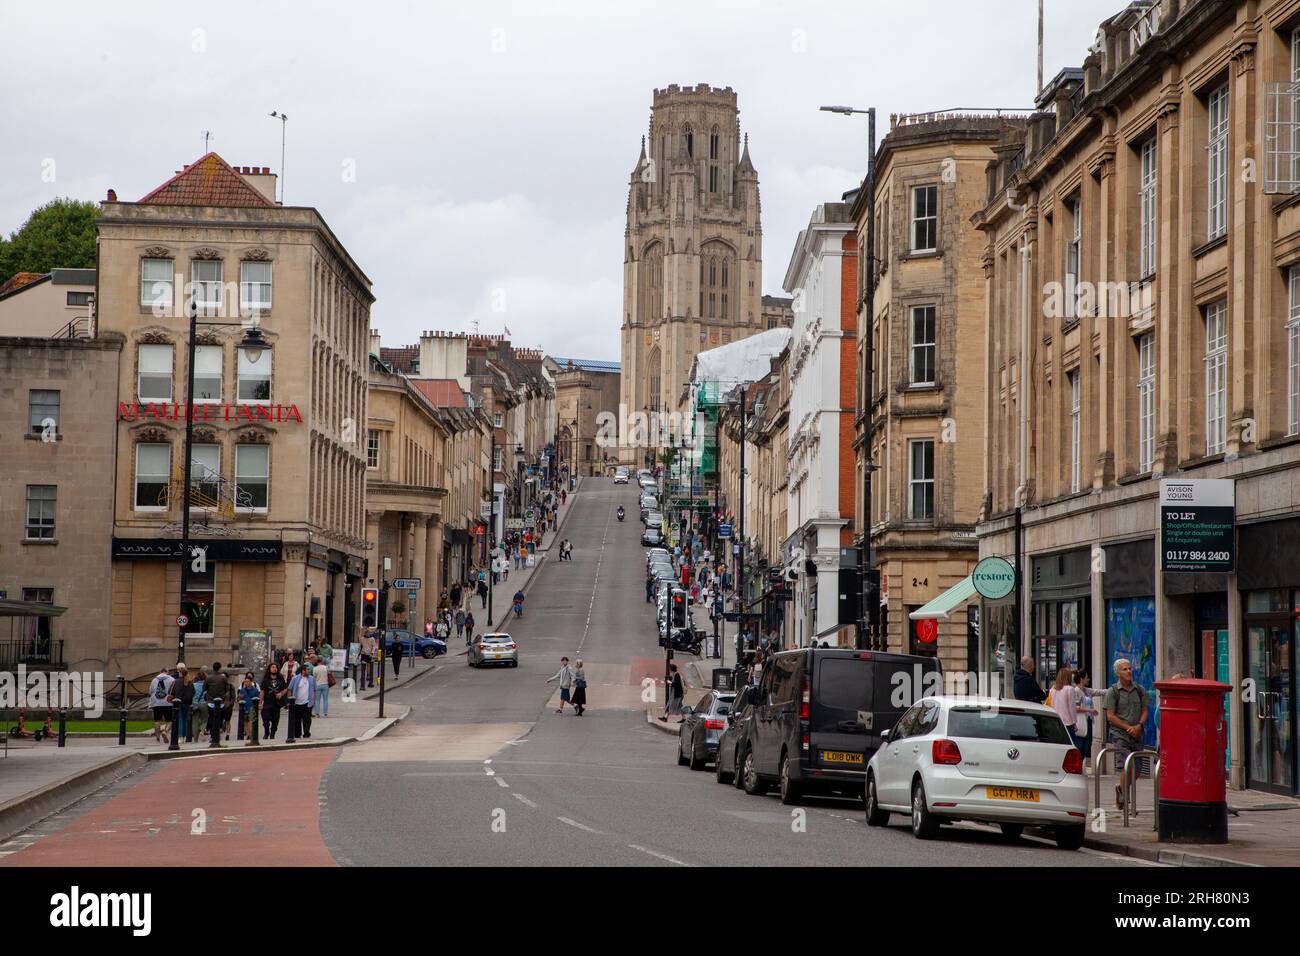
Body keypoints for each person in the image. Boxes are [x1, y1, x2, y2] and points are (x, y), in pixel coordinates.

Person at [1104, 658, 1150, 810]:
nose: (1129, 671)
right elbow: (1110, 716)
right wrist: (1127, 727)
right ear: (1117, 673)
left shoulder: (1139, 690)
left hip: (1137, 734)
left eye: (1130, 668)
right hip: (1120, 734)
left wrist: (1139, 725)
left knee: (1137, 770)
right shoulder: (1113, 691)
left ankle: (1121, 788)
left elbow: (1145, 710)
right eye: (1124, 669)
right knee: (1126, 766)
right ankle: (1124, 798)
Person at [205, 663, 233, 748]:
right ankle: (216, 735)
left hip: (210, 701)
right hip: (220, 702)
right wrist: (223, 695)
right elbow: (227, 689)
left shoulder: (208, 678)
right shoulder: (223, 678)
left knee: (211, 718)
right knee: (219, 719)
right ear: (219, 668)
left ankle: (212, 735)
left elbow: (205, 688)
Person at [1050, 666, 1078, 746]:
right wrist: (1074, 723)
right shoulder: (1070, 689)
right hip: (1067, 722)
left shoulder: (1053, 689)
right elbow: (1072, 708)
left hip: (1055, 721)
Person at [1073, 670, 1096, 764]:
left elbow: (1098, 691)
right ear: (1081, 679)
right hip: (1081, 721)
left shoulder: (1086, 690)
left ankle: (1080, 764)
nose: (1088, 679)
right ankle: (1077, 764)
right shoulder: (1076, 691)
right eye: (1087, 677)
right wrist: (1089, 710)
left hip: (1088, 720)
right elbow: (1075, 708)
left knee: (1086, 745)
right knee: (1080, 745)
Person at [288, 663, 316, 740]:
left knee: (307, 719)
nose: (309, 671)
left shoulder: (312, 679)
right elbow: (289, 689)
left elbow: (314, 690)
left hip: (307, 703)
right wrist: (290, 700)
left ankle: (306, 733)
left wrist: (313, 701)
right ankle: (297, 734)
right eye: (308, 670)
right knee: (297, 720)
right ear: (303, 671)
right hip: (296, 703)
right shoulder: (295, 678)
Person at [261, 663, 287, 740]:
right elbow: (262, 691)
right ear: (269, 669)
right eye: (272, 667)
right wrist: (260, 702)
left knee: (275, 719)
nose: (274, 669)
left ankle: (272, 734)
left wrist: (281, 694)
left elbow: (285, 689)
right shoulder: (266, 680)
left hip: (276, 703)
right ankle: (266, 732)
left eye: (275, 667)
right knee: (265, 718)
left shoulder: (280, 679)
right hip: (267, 702)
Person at [149, 666, 175, 743]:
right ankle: (165, 731)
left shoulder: (154, 680)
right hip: (168, 703)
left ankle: (157, 738)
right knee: (169, 720)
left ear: (160, 672)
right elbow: (174, 690)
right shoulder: (171, 679)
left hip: (156, 703)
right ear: (167, 672)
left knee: (157, 721)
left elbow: (150, 691)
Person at [171, 664, 194, 743]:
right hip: (187, 703)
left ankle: (180, 736)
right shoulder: (190, 682)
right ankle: (184, 736)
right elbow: (193, 692)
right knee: (185, 719)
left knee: (180, 719)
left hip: (178, 702)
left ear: (180, 673)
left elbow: (172, 692)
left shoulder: (176, 681)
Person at [239, 672, 261, 745]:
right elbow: (240, 698)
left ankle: (251, 734)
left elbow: (258, 698)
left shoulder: (255, 690)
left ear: (251, 682)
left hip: (252, 708)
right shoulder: (242, 690)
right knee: (245, 722)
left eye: (247, 681)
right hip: (244, 708)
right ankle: (248, 734)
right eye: (245, 681)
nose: (246, 683)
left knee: (251, 722)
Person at [190, 667, 208, 741]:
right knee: (205, 719)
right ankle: (202, 730)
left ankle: (195, 739)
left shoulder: (193, 685)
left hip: (195, 704)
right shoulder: (206, 685)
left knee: (195, 721)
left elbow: (191, 694)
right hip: (204, 703)